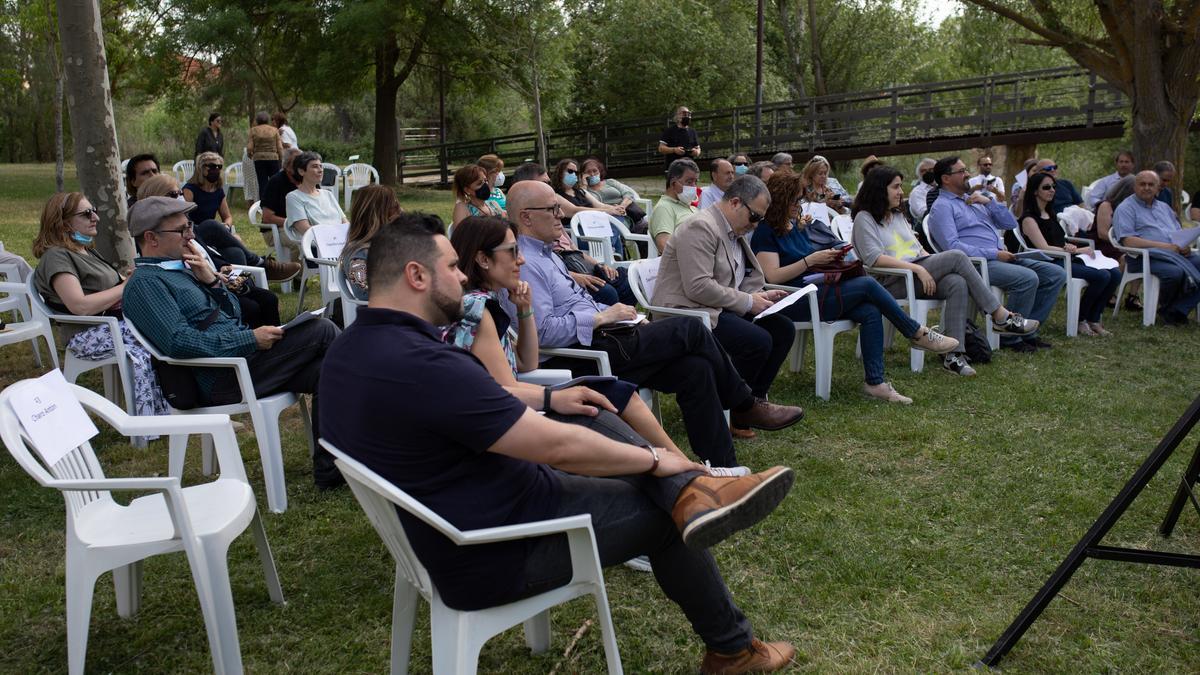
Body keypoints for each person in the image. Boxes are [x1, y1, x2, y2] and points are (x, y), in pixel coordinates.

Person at [319, 213, 798, 674]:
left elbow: (509, 412)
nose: (462, 279)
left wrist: (552, 396)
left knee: (586, 405)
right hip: (492, 549)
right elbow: (554, 449)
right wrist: (655, 459)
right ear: (416, 275)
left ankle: (694, 487)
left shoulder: (348, 349)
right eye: (451, 268)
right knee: (665, 519)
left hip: (448, 524)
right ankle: (731, 646)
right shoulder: (424, 364)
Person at [512, 179, 803, 468]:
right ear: (526, 217)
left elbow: (573, 307)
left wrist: (613, 312)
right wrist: (601, 317)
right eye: (551, 209)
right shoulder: (527, 266)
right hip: (586, 355)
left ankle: (721, 465)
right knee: (691, 328)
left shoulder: (546, 255)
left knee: (696, 369)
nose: (560, 214)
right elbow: (541, 333)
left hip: (609, 340)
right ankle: (746, 405)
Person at [447, 215, 730, 473]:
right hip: (519, 409)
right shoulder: (479, 309)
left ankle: (703, 466)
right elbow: (506, 387)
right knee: (686, 331)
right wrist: (557, 396)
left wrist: (524, 310)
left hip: (587, 349)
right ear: (484, 260)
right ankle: (694, 466)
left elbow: (526, 363)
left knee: (692, 367)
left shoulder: (489, 301)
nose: (520, 260)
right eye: (512, 252)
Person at [123, 196, 341, 487]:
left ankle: (332, 472)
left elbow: (233, 312)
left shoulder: (181, 270)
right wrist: (250, 340)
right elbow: (178, 342)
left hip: (239, 364)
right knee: (323, 329)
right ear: (151, 238)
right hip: (220, 378)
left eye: (189, 227)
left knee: (328, 368)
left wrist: (211, 283)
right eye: (182, 230)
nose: (191, 235)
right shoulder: (146, 284)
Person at [751, 172, 959, 403]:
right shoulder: (766, 231)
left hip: (816, 290)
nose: (798, 205)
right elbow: (772, 276)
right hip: (792, 299)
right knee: (868, 284)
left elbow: (807, 262)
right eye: (794, 200)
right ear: (780, 201)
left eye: (800, 200)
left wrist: (829, 258)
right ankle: (916, 332)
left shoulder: (795, 225)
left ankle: (875, 383)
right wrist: (811, 260)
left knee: (870, 311)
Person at [852, 166, 1038, 376]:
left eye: (900, 186)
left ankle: (953, 356)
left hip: (916, 274)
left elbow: (918, 249)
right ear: (878, 189)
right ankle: (999, 315)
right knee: (957, 256)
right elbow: (874, 258)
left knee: (956, 282)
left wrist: (925, 267)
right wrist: (917, 269)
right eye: (895, 187)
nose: (900, 192)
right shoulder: (864, 218)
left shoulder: (896, 215)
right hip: (889, 282)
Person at [31, 192, 169, 420]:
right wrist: (126, 286)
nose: (95, 217)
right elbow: (79, 306)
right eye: (86, 214)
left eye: (93, 210)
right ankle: (159, 416)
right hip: (87, 334)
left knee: (170, 325)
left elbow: (104, 289)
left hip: (110, 325)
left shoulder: (84, 250)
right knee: (164, 333)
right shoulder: (57, 257)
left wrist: (126, 282)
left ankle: (174, 408)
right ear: (63, 223)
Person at [928, 156, 1066, 353]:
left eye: (966, 169)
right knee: (1028, 278)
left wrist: (990, 202)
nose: (968, 174)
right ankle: (1010, 338)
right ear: (946, 179)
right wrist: (993, 253)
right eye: (961, 171)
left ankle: (1025, 332)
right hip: (975, 264)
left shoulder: (974, 200)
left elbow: (1010, 224)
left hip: (999, 256)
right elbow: (952, 247)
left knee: (1056, 274)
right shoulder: (942, 206)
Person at [139, 174, 287, 327]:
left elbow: (207, 253)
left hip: (219, 278)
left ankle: (277, 343)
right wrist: (214, 277)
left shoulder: (188, 227)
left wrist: (222, 265)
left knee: (269, 298)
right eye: (173, 194)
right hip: (205, 289)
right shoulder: (164, 239)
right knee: (251, 307)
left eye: (180, 193)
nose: (180, 197)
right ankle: (257, 342)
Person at [508, 163, 637, 307]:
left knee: (627, 279)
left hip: (575, 263)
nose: (561, 214)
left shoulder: (546, 236)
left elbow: (573, 250)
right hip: (571, 269)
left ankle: (627, 323)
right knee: (607, 293)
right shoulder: (525, 256)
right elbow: (546, 325)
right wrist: (598, 318)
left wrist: (600, 265)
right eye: (553, 209)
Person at [1016, 171, 1120, 336]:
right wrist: (1075, 250)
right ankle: (1081, 319)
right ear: (1035, 191)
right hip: (1051, 263)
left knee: (1115, 274)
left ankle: (1094, 319)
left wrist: (1069, 246)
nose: (1052, 190)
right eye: (1046, 187)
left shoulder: (1049, 215)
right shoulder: (1029, 219)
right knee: (1102, 276)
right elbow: (1043, 247)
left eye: (1053, 187)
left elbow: (1057, 240)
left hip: (1066, 258)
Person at [1111, 170, 1200, 326]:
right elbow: (1128, 241)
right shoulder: (1126, 208)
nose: (1146, 188)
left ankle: (1176, 309)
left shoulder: (1164, 208)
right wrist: (1165, 247)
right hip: (1143, 257)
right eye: (1142, 184)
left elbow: (1176, 233)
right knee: (1174, 272)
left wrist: (1184, 246)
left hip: (1174, 254)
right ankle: (1172, 310)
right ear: (1134, 187)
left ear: (1158, 187)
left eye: (1151, 184)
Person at [341, 185, 403, 301]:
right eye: (395, 206)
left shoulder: (392, 244)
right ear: (377, 214)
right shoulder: (360, 253)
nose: (401, 210)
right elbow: (363, 292)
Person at [285, 151, 348, 237]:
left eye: (321, 166)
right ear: (301, 171)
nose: (320, 170)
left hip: (340, 241)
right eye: (315, 166)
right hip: (318, 246)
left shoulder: (328, 194)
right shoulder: (294, 197)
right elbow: (306, 230)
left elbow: (345, 223)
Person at [581, 158, 648, 234]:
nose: (592, 174)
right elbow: (584, 204)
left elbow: (628, 193)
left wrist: (622, 206)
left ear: (600, 171)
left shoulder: (610, 182)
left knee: (647, 229)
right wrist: (584, 186)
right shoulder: (585, 191)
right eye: (588, 172)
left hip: (626, 212)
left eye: (595, 171)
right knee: (616, 227)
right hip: (606, 218)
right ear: (583, 175)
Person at [259, 146, 303, 258]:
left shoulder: (307, 179)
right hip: (275, 229)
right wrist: (294, 223)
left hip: (302, 226)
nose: (302, 166)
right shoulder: (276, 182)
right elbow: (267, 218)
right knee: (300, 244)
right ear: (287, 167)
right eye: (297, 163)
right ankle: (296, 274)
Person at [650, 158, 700, 252]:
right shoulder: (664, 208)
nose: (694, 187)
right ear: (673, 183)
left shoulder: (690, 207)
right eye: (689, 182)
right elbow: (665, 246)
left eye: (695, 182)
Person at [247, 111, 284, 197]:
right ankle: (275, 202)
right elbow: (280, 147)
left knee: (262, 182)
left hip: (259, 159)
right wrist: (281, 159)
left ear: (257, 120)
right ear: (268, 120)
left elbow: (249, 147)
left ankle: (263, 204)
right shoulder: (274, 130)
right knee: (275, 181)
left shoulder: (253, 130)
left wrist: (250, 154)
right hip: (273, 159)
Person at [658, 105, 701, 170]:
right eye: (684, 114)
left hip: (689, 168)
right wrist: (674, 150)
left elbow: (698, 148)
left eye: (688, 114)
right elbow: (661, 148)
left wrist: (696, 152)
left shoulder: (693, 132)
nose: (687, 116)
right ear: (677, 116)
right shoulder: (669, 131)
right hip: (673, 168)